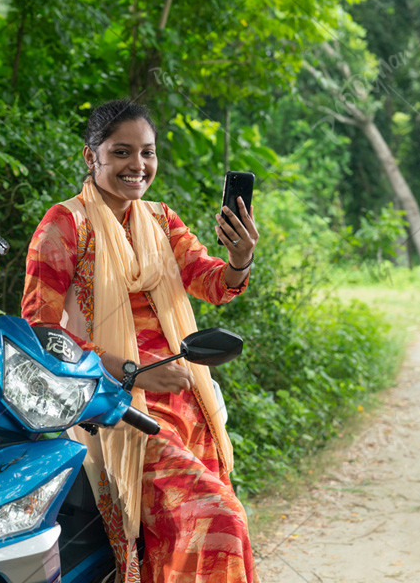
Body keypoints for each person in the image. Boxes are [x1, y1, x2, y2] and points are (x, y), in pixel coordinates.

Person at [21, 100, 259, 583]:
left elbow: (212, 283)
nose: (138, 165)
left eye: (147, 152)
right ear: (92, 157)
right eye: (122, 152)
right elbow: (41, 333)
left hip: (187, 404)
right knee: (220, 523)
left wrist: (239, 259)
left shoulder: (161, 220)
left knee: (186, 536)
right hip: (117, 408)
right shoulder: (65, 226)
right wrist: (132, 371)